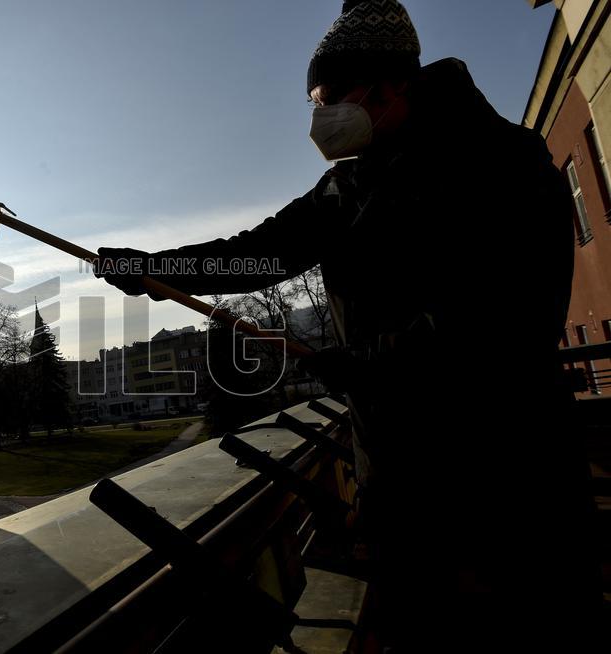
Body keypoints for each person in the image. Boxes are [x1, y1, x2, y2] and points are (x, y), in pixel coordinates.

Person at [94, 0, 602, 648]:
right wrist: (153, 269)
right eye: (316, 102)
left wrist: (370, 363)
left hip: (510, 480)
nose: (320, 117)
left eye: (331, 98)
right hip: (398, 483)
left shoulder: (504, 159)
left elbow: (510, 316)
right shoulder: (346, 187)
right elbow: (260, 253)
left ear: (390, 86)